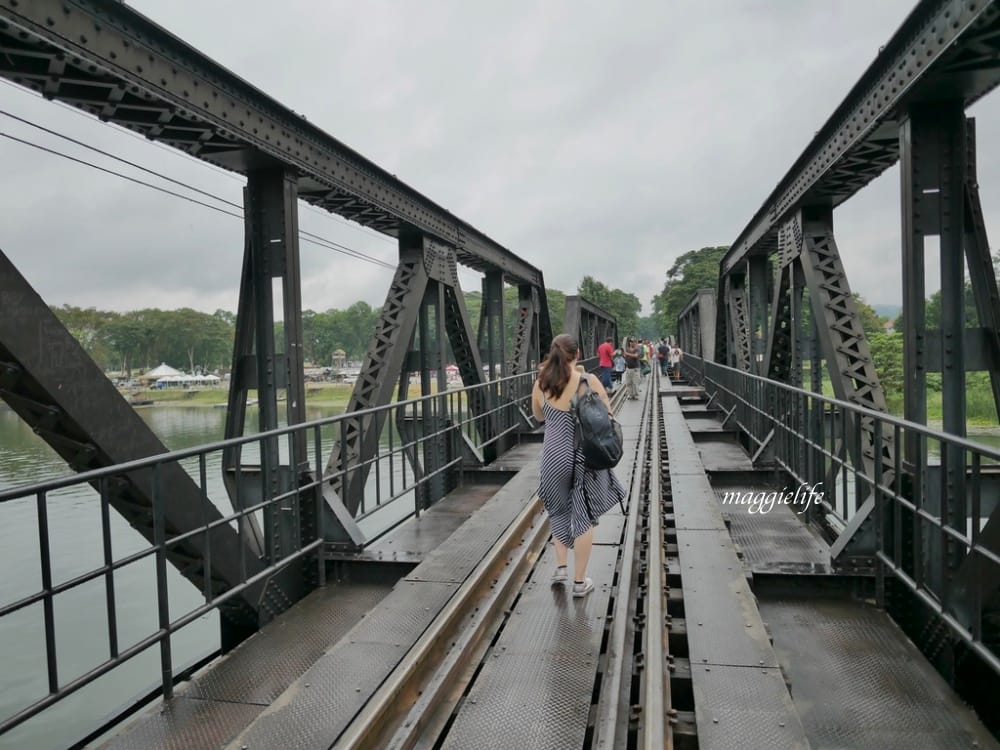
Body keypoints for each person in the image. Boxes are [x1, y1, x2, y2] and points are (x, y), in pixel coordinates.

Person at [532, 334, 626, 598]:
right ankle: (579, 581)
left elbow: (538, 415)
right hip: (583, 456)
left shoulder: (541, 382)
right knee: (583, 518)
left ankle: (561, 567)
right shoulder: (587, 381)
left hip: (553, 456)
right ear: (578, 354)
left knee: (557, 509)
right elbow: (608, 415)